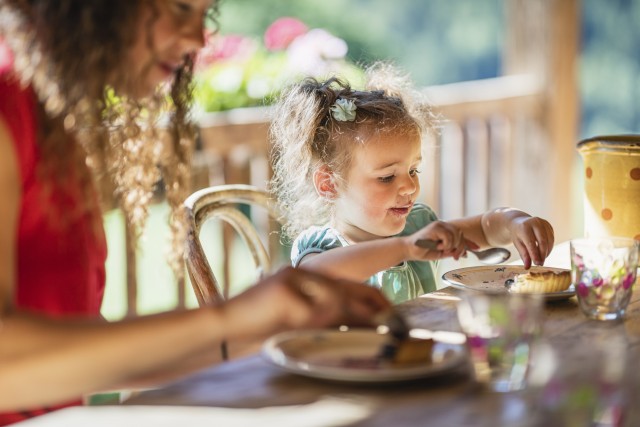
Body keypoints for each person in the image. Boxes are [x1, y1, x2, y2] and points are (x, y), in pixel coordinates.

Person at [0, 1, 391, 424]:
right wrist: (228, 318)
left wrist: (260, 335)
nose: (198, 37)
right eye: (181, 7)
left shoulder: (55, 119)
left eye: (205, 13)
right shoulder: (7, 102)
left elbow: (79, 355)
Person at [269, 62, 556, 304]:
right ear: (329, 184)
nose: (409, 187)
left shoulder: (418, 225)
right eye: (386, 177)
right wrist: (405, 248)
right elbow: (311, 279)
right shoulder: (322, 249)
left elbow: (483, 228)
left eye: (413, 170)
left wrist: (514, 221)